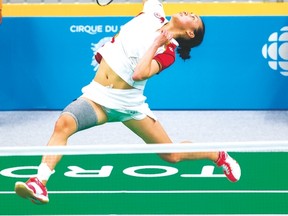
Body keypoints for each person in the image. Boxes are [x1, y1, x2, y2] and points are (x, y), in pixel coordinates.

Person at [15, 0, 241, 205]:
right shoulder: (153, 12)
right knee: (63, 124)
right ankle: (40, 183)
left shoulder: (167, 53)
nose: (188, 12)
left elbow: (139, 74)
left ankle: (217, 154)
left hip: (129, 105)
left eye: (193, 17)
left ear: (190, 33)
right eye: (191, 12)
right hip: (97, 96)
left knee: (171, 155)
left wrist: (157, 42)